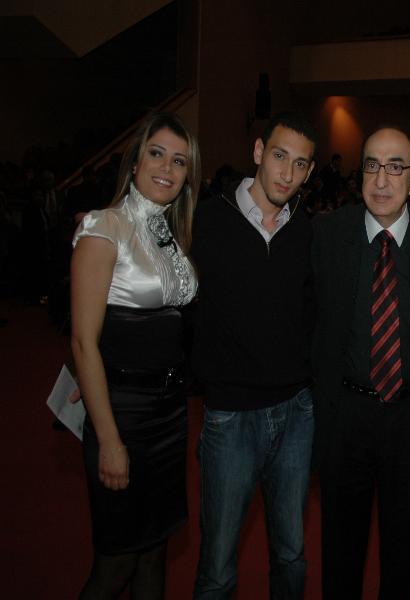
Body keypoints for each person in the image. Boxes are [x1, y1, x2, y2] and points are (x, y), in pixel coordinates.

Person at [312, 126, 410, 599]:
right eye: (372, 165)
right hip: (345, 414)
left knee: (402, 553)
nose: (381, 180)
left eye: (395, 168)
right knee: (340, 549)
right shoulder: (328, 234)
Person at [71, 112, 200, 598]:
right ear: (134, 161)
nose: (167, 168)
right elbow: (83, 342)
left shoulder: (169, 233)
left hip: (169, 416)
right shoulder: (104, 226)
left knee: (154, 552)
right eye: (157, 154)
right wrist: (109, 439)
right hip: (122, 416)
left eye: (180, 161)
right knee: (116, 563)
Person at [191, 112, 316, 599]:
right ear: (259, 151)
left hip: (296, 412)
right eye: (280, 156)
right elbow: (153, 283)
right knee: (218, 565)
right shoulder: (206, 219)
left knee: (291, 555)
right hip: (230, 415)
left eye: (300, 164)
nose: (287, 173)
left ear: (309, 171)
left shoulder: (307, 232)